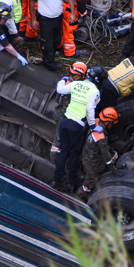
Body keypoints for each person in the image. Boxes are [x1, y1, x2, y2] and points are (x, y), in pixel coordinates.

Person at [51, 62, 102, 191]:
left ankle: (56, 180)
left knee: (64, 151)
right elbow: (90, 109)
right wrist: (92, 126)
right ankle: (73, 176)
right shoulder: (94, 91)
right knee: (74, 153)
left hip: (65, 122)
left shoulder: (75, 84)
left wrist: (62, 80)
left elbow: (60, 89)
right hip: (76, 125)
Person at [29, 0, 74, 71]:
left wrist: (72, 12)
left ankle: (50, 57)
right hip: (45, 20)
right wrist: (33, 19)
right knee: (46, 42)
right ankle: (49, 64)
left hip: (58, 19)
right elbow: (32, 1)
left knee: (56, 40)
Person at [81, 108, 119, 196]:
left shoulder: (95, 121)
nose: (112, 126)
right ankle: (77, 199)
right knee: (88, 185)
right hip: (92, 165)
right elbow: (106, 158)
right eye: (112, 123)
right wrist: (113, 169)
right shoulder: (102, 138)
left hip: (85, 154)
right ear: (108, 123)